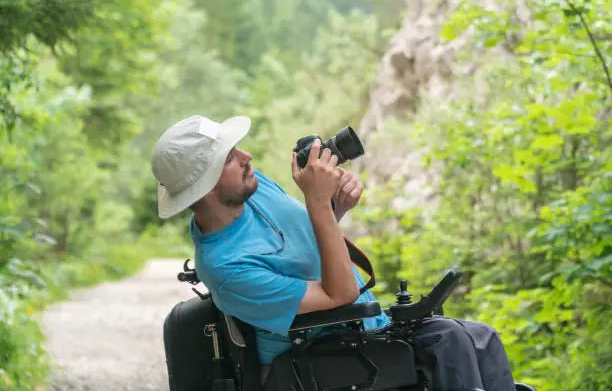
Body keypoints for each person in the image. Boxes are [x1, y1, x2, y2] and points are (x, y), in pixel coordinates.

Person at [151, 114, 516, 391]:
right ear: (207, 185)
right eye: (230, 157)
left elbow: (307, 242)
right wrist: (318, 202)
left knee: (482, 338)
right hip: (313, 355)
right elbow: (338, 294)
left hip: (360, 330)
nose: (247, 156)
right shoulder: (226, 268)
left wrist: (333, 207)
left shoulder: (253, 189)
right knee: (450, 343)